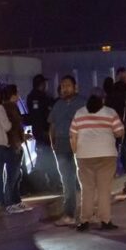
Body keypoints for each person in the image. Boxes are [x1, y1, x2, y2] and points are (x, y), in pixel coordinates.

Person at [70, 87, 125, 231]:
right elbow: (119, 132)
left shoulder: (79, 113)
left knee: (87, 189)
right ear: (103, 99)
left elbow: (73, 136)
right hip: (106, 155)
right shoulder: (110, 112)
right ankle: (105, 221)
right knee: (104, 189)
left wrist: (76, 152)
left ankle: (84, 221)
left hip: (84, 156)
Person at [48, 75, 85, 226]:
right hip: (61, 145)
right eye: (63, 86)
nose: (65, 88)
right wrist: (53, 143)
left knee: (84, 180)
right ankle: (69, 214)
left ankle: (87, 214)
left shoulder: (83, 103)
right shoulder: (57, 105)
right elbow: (52, 125)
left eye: (68, 85)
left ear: (75, 87)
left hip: (81, 144)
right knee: (67, 181)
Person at [0, 84, 32, 213]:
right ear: (12, 95)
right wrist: (18, 141)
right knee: (12, 175)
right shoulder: (9, 108)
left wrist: (23, 136)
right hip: (12, 145)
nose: (19, 96)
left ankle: (16, 201)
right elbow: (12, 129)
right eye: (17, 93)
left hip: (16, 143)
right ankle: (10, 203)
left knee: (16, 174)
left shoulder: (10, 107)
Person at [26, 74, 60, 192]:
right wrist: (45, 131)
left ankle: (50, 182)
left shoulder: (32, 97)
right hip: (44, 132)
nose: (46, 85)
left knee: (45, 156)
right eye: (44, 83)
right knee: (49, 157)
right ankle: (53, 182)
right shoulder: (39, 97)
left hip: (40, 132)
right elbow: (39, 116)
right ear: (41, 84)